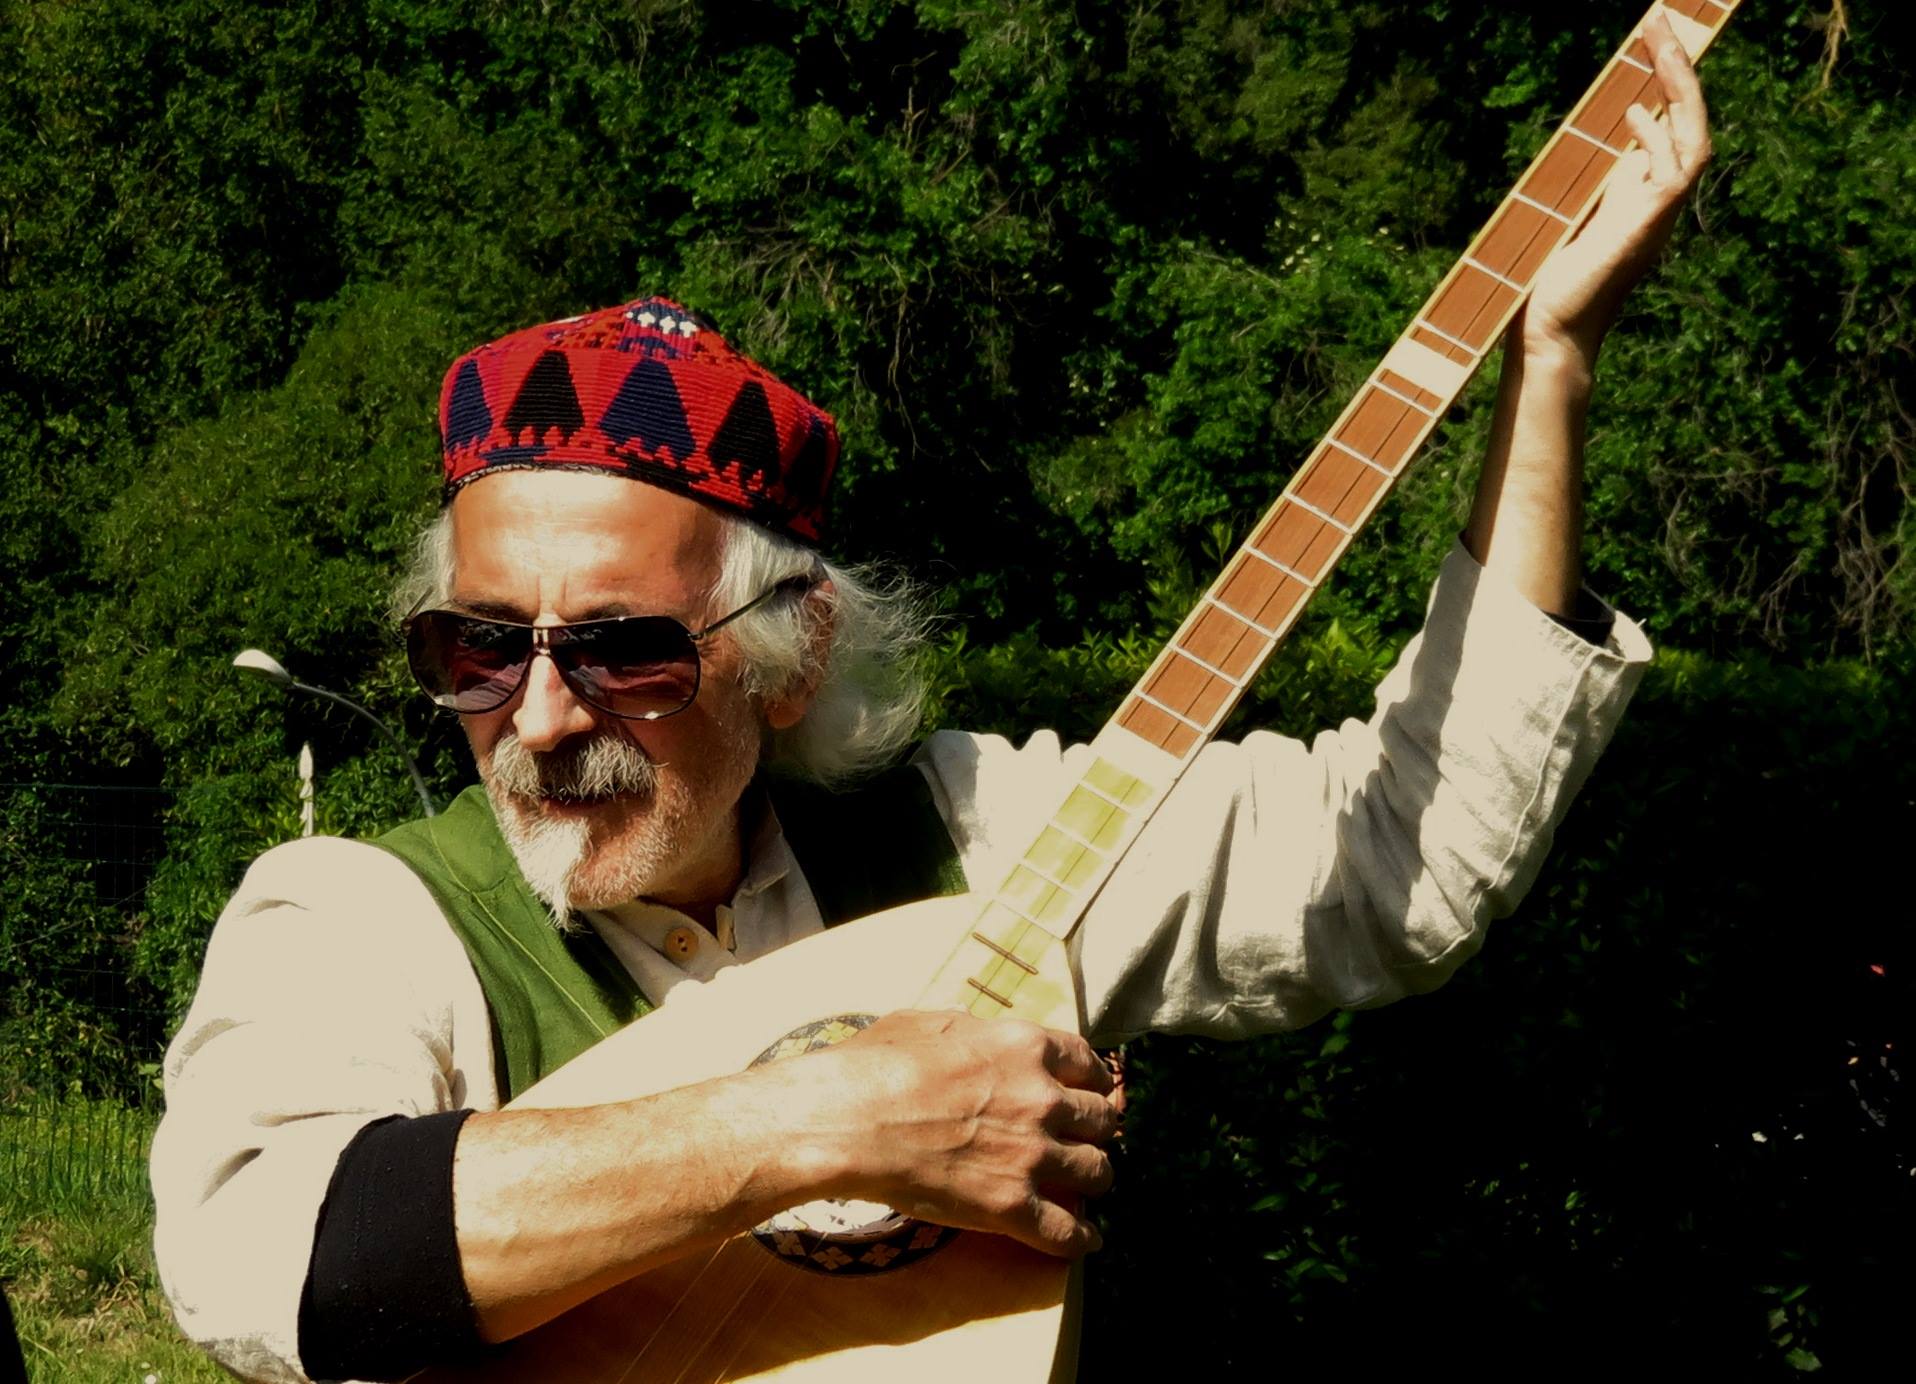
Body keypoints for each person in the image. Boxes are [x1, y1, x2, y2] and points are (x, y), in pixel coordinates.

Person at [150, 19, 1712, 1383]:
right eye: (479, 652)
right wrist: (818, 1127)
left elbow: (1400, 866)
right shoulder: (356, 915)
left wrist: (1552, 367)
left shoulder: (987, 844)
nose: (542, 719)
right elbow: (256, 1254)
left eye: (625, 651)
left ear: (792, 657)